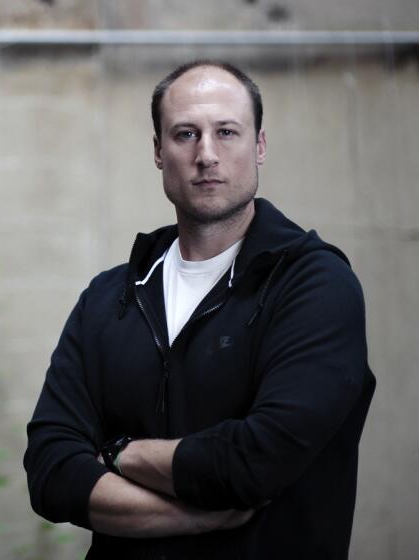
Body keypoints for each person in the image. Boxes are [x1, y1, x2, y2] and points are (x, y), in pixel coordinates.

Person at [23, 60, 376, 559]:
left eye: (226, 132)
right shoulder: (110, 298)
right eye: (186, 133)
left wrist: (122, 453)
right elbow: (50, 469)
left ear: (260, 146)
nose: (206, 154)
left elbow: (255, 462)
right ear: (157, 152)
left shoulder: (313, 285)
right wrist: (194, 516)